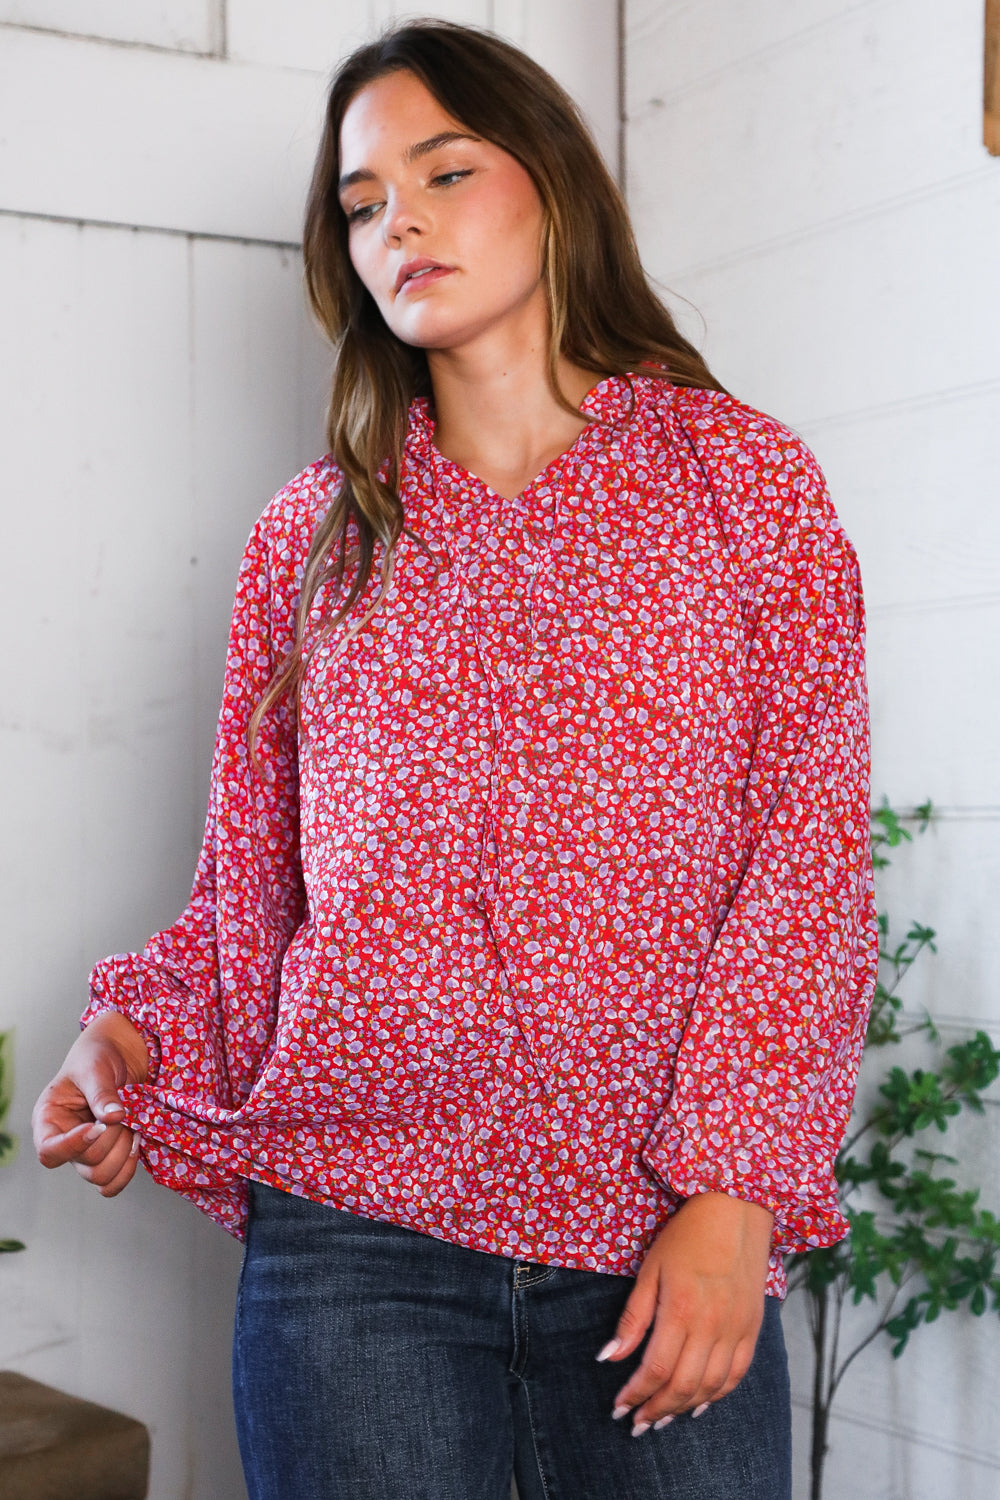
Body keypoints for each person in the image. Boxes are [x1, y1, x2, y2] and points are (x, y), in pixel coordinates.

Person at [32, 19, 879, 1500]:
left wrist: (734, 1191)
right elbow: (254, 890)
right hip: (354, 1256)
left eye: (443, 172)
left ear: (552, 183)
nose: (398, 225)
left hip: (659, 1242)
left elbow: (804, 860)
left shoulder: (741, 487)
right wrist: (131, 1039)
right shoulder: (310, 539)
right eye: (361, 204)